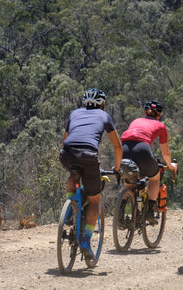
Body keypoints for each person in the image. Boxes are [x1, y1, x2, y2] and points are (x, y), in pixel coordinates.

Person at [59, 88, 123, 259]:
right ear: (102, 104)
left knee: (73, 174)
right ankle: (86, 240)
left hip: (67, 154)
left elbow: (65, 140)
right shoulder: (104, 116)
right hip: (88, 156)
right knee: (94, 201)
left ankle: (68, 209)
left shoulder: (74, 113)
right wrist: (117, 169)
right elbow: (118, 147)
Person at [120, 101, 177, 223]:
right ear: (159, 115)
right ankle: (150, 210)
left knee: (128, 183)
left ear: (145, 112)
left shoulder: (135, 121)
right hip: (142, 149)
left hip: (123, 148)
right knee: (154, 178)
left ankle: (120, 211)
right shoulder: (160, 126)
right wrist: (170, 165)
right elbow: (165, 152)